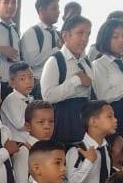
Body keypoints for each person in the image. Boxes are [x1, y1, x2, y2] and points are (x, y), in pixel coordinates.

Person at [39, 13, 93, 147]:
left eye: (88, 34)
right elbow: (47, 96)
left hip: (85, 119)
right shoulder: (55, 61)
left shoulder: (86, 62)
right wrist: (76, 81)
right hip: (64, 120)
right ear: (66, 35)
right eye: (80, 33)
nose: (85, 39)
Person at [90, 18, 123, 134]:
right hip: (111, 120)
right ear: (106, 38)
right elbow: (103, 96)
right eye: (115, 37)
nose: (121, 40)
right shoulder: (99, 64)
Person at [21, 0, 62, 82]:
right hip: (38, 82)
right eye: (54, 8)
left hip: (57, 82)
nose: (58, 12)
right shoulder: (32, 33)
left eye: (58, 8)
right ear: (42, 10)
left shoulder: (57, 34)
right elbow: (32, 61)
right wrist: (57, 49)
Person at [0, 60, 35, 145]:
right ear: (12, 83)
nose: (28, 81)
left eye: (31, 77)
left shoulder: (30, 98)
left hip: (30, 140)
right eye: (22, 79)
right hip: (18, 144)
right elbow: (21, 125)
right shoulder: (11, 100)